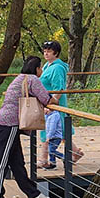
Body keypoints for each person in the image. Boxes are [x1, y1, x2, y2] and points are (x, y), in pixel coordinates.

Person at [0, 56, 52, 198]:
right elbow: (46, 99)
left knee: (17, 163)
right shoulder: (32, 79)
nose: (41, 70)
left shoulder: (20, 78)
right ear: (36, 68)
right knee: (1, 162)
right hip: (7, 125)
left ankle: (34, 195)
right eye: (40, 67)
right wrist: (56, 100)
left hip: (3, 123)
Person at [38, 41, 82, 169]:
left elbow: (59, 88)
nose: (46, 53)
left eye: (49, 51)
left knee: (53, 130)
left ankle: (44, 159)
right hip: (47, 103)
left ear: (55, 53)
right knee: (61, 131)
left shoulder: (57, 68)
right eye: (45, 51)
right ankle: (75, 153)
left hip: (54, 104)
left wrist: (53, 103)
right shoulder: (47, 65)